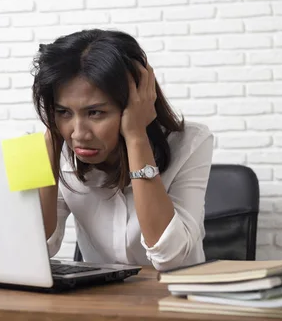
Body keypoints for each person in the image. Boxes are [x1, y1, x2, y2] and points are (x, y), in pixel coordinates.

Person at [31, 29, 214, 272]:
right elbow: (30, 251)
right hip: (99, 302)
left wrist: (136, 136)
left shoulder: (193, 141)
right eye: (63, 112)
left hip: (178, 301)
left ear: (137, 102)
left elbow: (171, 259)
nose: (78, 133)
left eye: (95, 112)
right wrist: (47, 151)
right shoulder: (40, 149)